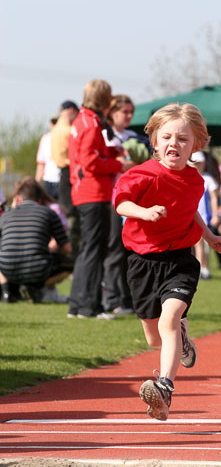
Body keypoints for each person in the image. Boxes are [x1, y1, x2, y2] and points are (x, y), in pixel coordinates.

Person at [114, 102, 221, 421]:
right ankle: (183, 339)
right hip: (142, 261)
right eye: (166, 137)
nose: (173, 144)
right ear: (154, 140)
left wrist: (209, 236)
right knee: (155, 336)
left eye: (182, 139)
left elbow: (190, 209)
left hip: (179, 259)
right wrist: (144, 212)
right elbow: (121, 204)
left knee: (168, 322)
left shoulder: (196, 181)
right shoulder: (140, 174)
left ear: (196, 144)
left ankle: (164, 388)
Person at [67, 79, 129, 320]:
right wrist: (119, 164)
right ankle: (89, 307)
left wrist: (114, 152)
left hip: (84, 191)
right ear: (104, 98)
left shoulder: (82, 119)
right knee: (95, 250)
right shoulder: (92, 123)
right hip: (94, 192)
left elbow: (93, 153)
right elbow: (91, 162)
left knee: (88, 249)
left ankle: (78, 304)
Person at [101, 94, 150, 315]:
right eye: (124, 112)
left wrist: (130, 163)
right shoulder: (105, 135)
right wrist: (127, 162)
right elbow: (114, 165)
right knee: (114, 250)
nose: (129, 116)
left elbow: (145, 160)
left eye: (131, 111)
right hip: (112, 198)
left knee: (132, 249)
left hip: (135, 198)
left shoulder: (133, 136)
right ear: (112, 112)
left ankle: (130, 298)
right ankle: (112, 299)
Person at [0, 177, 73, 304]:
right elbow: (67, 248)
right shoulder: (49, 213)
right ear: (40, 199)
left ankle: (6, 292)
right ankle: (35, 287)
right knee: (72, 264)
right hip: (38, 269)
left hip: (7, 269)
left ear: (18, 198)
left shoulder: (6, 215)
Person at [51, 100, 80, 258]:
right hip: (70, 173)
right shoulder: (69, 130)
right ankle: (72, 256)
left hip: (62, 174)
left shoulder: (55, 129)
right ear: (71, 110)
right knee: (73, 218)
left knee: (69, 215)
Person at [191, 150, 220, 279]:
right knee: (199, 244)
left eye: (200, 163)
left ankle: (204, 269)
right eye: (196, 163)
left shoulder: (208, 179)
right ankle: (202, 269)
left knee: (203, 244)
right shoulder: (189, 179)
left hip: (205, 216)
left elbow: (213, 198)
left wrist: (215, 215)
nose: (198, 166)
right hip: (192, 216)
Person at [35, 115, 61, 199]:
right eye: (53, 122)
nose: (55, 125)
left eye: (56, 122)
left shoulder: (68, 136)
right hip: (48, 182)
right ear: (50, 124)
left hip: (63, 181)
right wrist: (36, 185)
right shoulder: (45, 139)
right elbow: (41, 164)